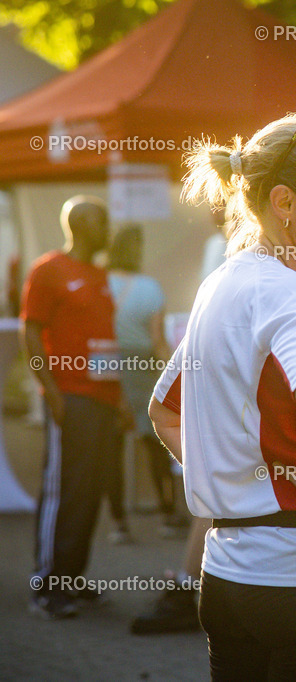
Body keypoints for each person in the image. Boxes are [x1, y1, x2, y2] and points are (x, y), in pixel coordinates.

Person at [149, 114, 296, 680]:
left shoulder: (222, 282)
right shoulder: (294, 295)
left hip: (228, 576)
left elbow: (164, 410)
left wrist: (238, 480)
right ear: (283, 201)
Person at [21, 195, 123, 619]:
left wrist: (119, 404)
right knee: (63, 490)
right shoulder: (48, 270)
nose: (108, 230)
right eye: (101, 221)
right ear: (81, 224)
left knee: (89, 491)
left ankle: (73, 579)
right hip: (70, 399)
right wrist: (51, 392)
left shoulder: (99, 275)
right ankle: (47, 585)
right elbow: (31, 333)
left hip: (102, 403)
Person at [107, 225, 180, 535]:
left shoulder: (101, 283)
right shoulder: (151, 288)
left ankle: (118, 522)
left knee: (112, 445)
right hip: (144, 368)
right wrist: (173, 375)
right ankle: (168, 513)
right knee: (155, 442)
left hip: (109, 367)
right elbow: (157, 341)